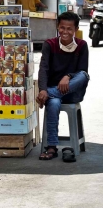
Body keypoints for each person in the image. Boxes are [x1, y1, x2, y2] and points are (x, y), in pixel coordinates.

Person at [37, 12, 89, 161]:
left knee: (84, 76)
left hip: (73, 92)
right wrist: (42, 89)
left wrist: (68, 76)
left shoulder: (82, 46)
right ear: (57, 27)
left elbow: (83, 70)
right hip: (54, 90)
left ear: (76, 29)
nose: (65, 32)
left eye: (69, 29)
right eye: (62, 28)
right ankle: (51, 146)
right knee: (53, 103)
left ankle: (50, 93)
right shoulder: (50, 44)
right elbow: (44, 69)